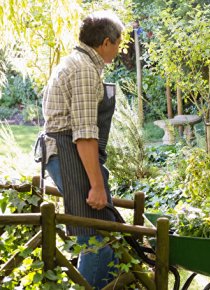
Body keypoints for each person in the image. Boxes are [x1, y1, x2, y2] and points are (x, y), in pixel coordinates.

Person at [40, 11, 124, 288]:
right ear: (105, 42)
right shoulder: (85, 71)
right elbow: (85, 135)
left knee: (100, 236)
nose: (119, 49)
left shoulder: (77, 62)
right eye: (118, 43)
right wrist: (97, 186)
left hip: (68, 152)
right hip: (69, 152)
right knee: (97, 240)